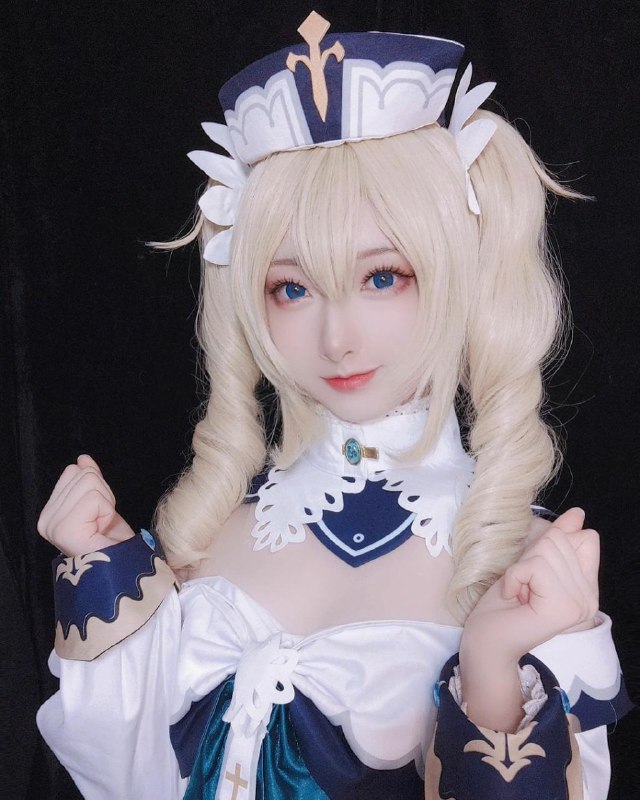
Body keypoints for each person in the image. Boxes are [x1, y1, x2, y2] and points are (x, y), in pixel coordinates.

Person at [36, 11, 631, 800]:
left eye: (383, 277)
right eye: (291, 288)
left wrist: (490, 661)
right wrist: (101, 565)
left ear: (462, 269)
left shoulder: (524, 568)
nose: (337, 339)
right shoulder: (207, 540)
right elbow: (127, 780)